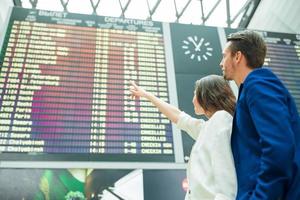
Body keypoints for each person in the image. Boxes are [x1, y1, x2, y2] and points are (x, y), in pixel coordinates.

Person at [220, 30, 300, 200]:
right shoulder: (253, 87)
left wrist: (261, 196)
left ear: (238, 57)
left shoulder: (258, 83)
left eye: (224, 56)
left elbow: (279, 147)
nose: (221, 63)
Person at [129, 75, 237, 200]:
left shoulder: (221, 119)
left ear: (206, 96)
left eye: (195, 94)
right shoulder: (208, 128)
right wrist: (147, 95)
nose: (193, 100)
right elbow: (179, 117)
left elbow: (226, 182)